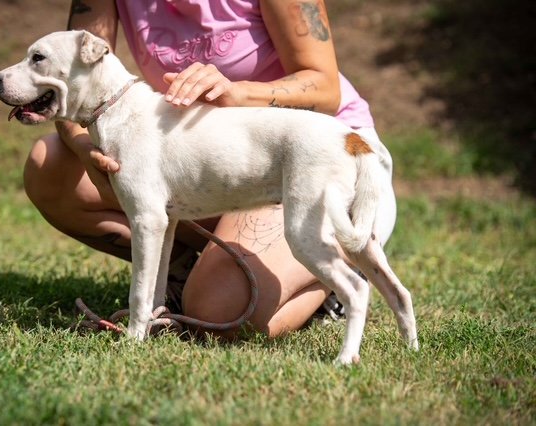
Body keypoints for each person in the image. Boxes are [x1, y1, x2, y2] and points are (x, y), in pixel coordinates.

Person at [23, 0, 397, 338]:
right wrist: (88, 149)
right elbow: (72, 82)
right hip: (206, 162)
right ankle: (182, 276)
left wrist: (240, 94)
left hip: (318, 157)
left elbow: (326, 89)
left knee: (217, 311)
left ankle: (332, 274)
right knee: (50, 164)